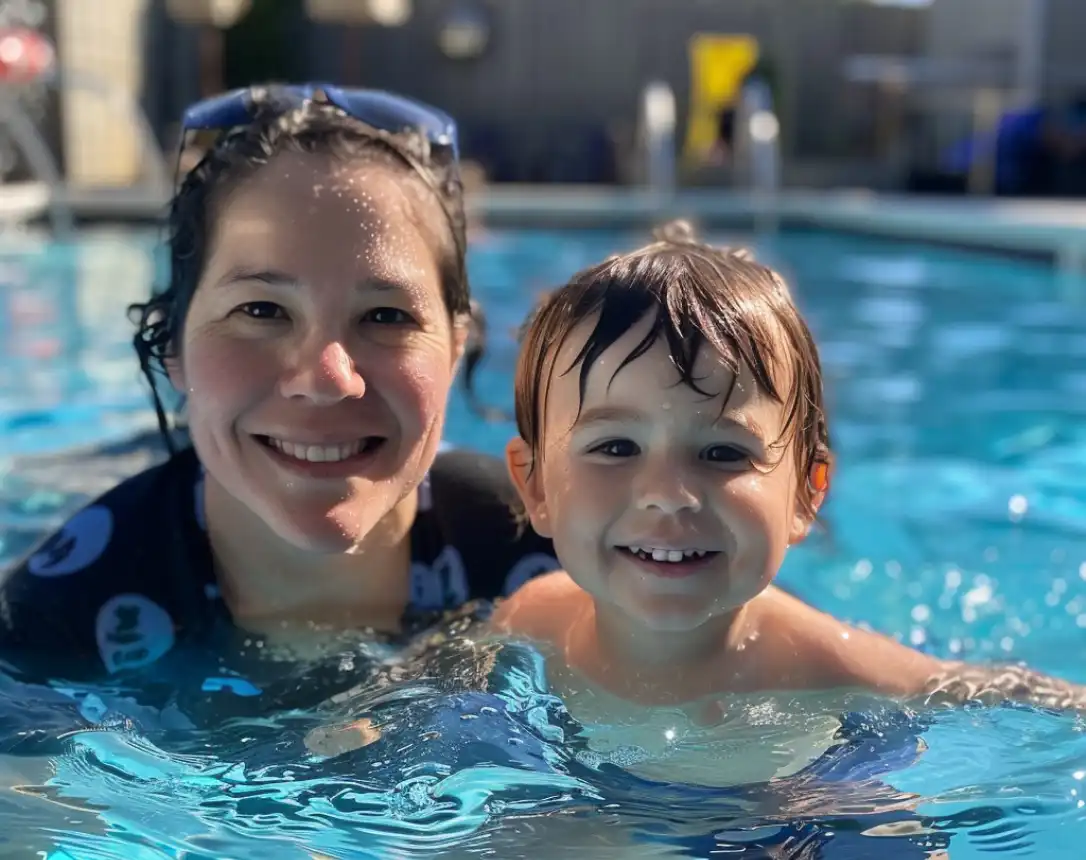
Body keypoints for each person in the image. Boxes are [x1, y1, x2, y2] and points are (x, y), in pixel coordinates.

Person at [0, 84, 559, 710]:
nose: (325, 379)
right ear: (173, 350)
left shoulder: (546, 551)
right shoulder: (55, 625)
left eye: (386, 316)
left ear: (455, 348)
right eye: (262, 309)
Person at [491, 221, 1086, 788]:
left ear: (806, 493)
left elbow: (1004, 698)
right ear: (536, 484)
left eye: (723, 452)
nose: (668, 493)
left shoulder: (830, 669)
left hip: (808, 803)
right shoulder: (532, 620)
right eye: (616, 446)